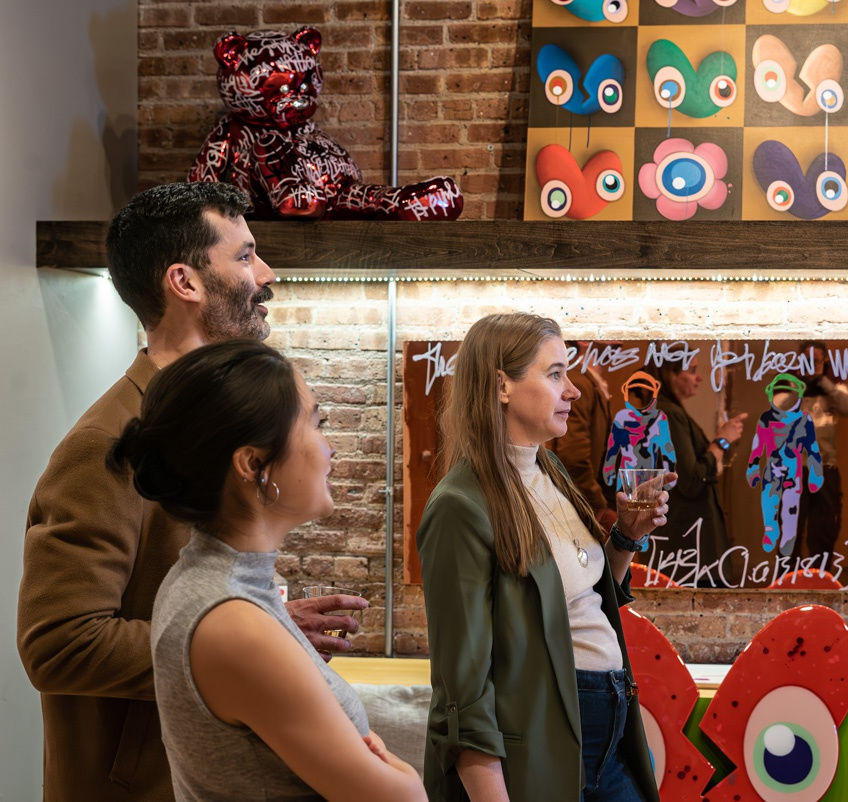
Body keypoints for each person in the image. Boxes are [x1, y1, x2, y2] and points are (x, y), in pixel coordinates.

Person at [16, 182, 365, 801]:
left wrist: (268, 626)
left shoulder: (202, 426)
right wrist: (244, 648)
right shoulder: (100, 445)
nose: (266, 273)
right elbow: (58, 644)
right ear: (186, 282)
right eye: (245, 255)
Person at [105, 339, 425, 800]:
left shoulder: (214, 585)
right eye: (317, 423)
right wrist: (408, 778)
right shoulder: (235, 624)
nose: (330, 448)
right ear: (254, 464)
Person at [417, 313, 671, 801]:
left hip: (610, 738)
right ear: (501, 386)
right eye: (555, 374)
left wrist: (625, 537)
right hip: (539, 749)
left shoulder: (549, 467)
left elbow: (583, 605)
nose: (573, 391)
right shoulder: (460, 506)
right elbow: (462, 695)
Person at [644, 362, 746, 586]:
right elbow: (690, 479)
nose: (699, 378)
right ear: (670, 375)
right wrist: (721, 441)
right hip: (690, 545)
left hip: (688, 545)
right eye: (691, 371)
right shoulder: (669, 413)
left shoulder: (670, 411)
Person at [797, 341, 848, 561]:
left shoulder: (834, 387)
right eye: (806, 361)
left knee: (825, 528)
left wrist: (822, 381)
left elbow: (846, 407)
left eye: (816, 361)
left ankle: (820, 579)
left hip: (825, 467)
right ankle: (786, 581)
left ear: (825, 361)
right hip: (795, 469)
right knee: (790, 530)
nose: (810, 365)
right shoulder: (791, 385)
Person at [552, 342, 618, 529]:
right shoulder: (579, 382)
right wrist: (599, 506)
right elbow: (573, 456)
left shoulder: (588, 381)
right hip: (578, 507)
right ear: (584, 341)